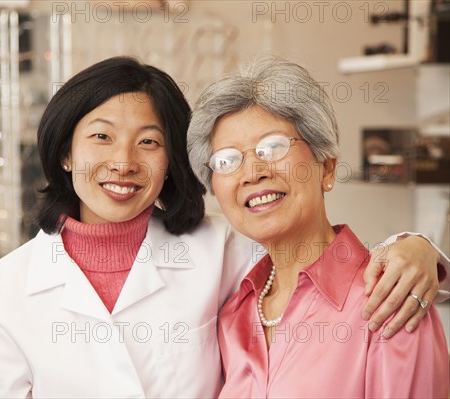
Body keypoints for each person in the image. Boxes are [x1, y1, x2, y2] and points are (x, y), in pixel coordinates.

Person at [0, 56, 447, 398]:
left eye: (149, 142)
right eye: (101, 137)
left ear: (173, 162)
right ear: (66, 152)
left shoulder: (222, 248)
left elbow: (318, 263)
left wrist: (417, 246)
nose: (122, 162)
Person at [187, 56, 449, 398]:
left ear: (326, 169)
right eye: (227, 160)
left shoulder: (389, 299)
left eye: (273, 147)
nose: (252, 172)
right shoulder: (235, 312)